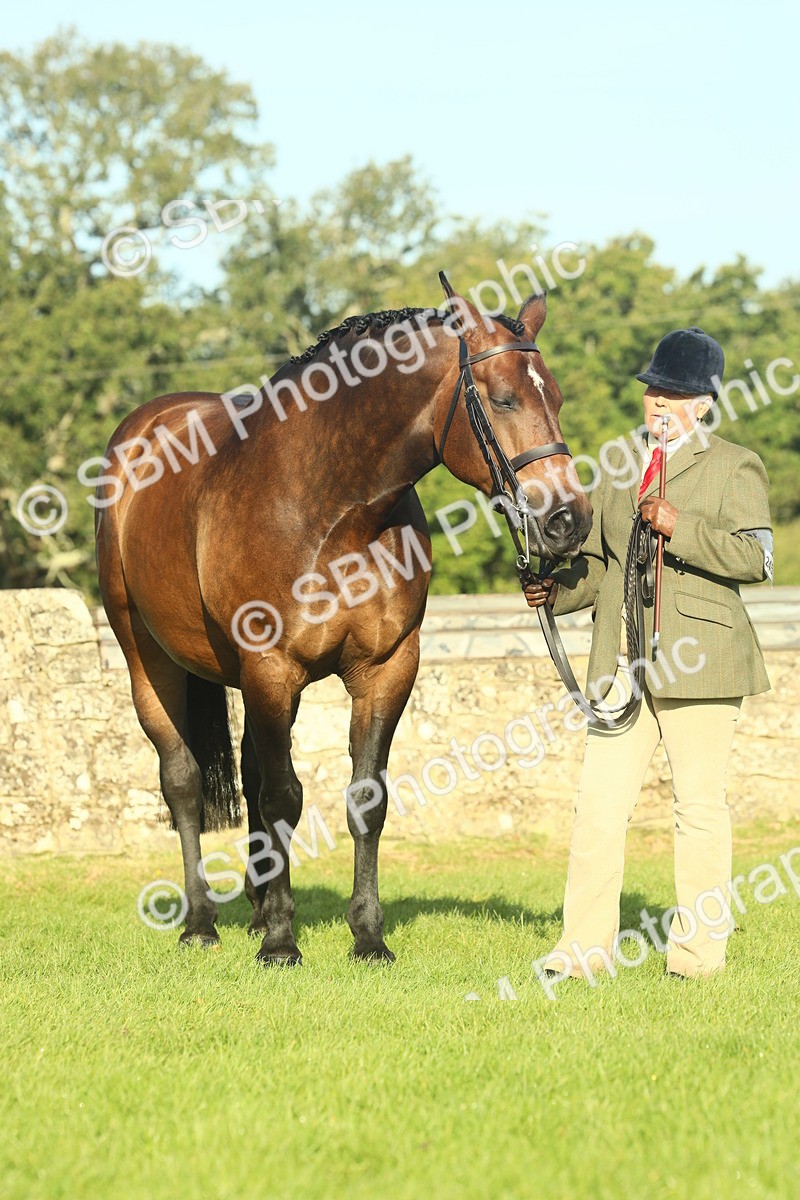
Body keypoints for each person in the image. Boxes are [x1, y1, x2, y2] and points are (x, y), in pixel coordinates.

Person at [524, 327, 773, 979]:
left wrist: (679, 528)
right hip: (621, 660)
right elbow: (602, 565)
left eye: (676, 394)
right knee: (598, 808)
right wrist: (555, 590)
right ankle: (580, 952)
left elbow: (758, 557)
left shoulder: (734, 464)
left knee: (698, 809)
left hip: (705, 658)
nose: (660, 404)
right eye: (655, 391)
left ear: (704, 403)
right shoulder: (617, 467)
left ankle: (696, 956)